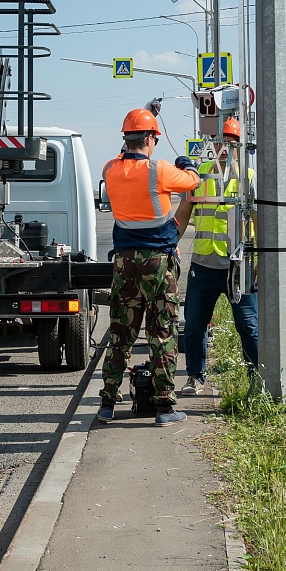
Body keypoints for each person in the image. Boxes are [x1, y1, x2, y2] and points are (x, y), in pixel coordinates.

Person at [97, 108, 200, 427]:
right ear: (152, 139)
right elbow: (192, 183)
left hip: (124, 262)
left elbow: (119, 159)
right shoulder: (162, 170)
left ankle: (108, 404)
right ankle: (164, 408)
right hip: (158, 264)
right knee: (162, 334)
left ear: (125, 139)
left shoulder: (109, 169)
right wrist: (186, 164)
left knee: (121, 335)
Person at [173, 118, 258, 397]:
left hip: (239, 266)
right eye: (219, 141)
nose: (223, 147)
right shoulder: (198, 176)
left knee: (248, 326)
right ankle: (195, 377)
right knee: (194, 325)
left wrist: (262, 263)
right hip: (203, 264)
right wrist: (169, 243)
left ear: (239, 145)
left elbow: (261, 221)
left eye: (230, 142)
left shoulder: (248, 177)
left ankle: (256, 380)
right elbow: (183, 214)